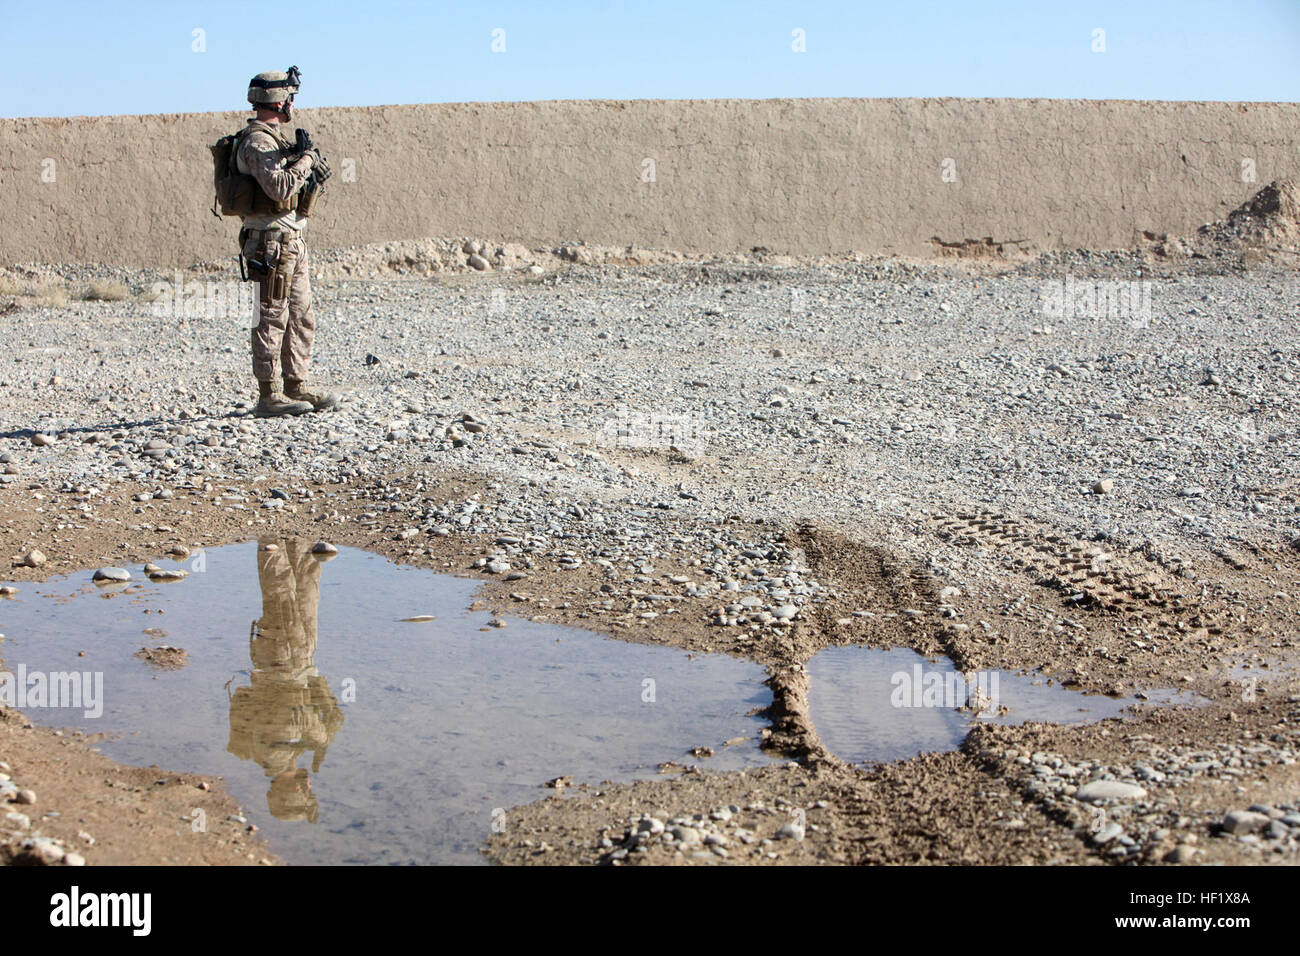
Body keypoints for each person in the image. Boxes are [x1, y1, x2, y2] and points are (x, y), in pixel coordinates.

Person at [233, 66, 340, 417]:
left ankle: (296, 384)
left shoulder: (275, 140)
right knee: (270, 317)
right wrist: (307, 160)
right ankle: (269, 394)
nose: (292, 104)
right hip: (270, 243)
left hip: (291, 239)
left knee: (300, 316)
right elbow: (278, 187)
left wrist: (307, 167)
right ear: (278, 102)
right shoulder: (257, 141)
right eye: (289, 98)